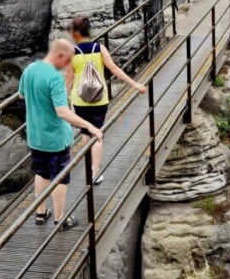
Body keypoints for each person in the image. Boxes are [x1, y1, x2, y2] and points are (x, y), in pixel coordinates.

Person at [19, 39, 103, 229]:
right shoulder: (55, 77)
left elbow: (22, 95)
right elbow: (62, 112)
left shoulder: (30, 69)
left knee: (41, 172)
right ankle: (60, 218)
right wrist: (89, 126)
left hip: (35, 134)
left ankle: (40, 213)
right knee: (60, 177)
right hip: (55, 136)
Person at [68, 16, 147, 184]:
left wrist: (64, 103)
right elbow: (115, 70)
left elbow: (68, 80)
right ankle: (95, 173)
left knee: (85, 132)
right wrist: (136, 85)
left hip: (80, 99)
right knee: (96, 132)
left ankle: (88, 168)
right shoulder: (99, 48)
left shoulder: (72, 52)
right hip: (98, 98)